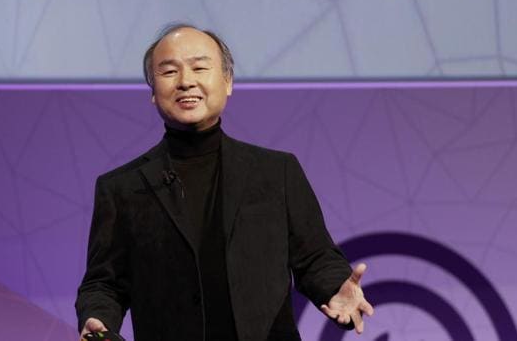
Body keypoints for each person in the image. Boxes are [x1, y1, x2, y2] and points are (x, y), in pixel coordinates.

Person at [75, 23, 374, 341]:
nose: (186, 82)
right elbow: (103, 282)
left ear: (228, 81)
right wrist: (97, 320)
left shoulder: (276, 172)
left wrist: (335, 288)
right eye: (169, 72)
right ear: (152, 92)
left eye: (199, 67)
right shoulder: (121, 187)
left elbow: (315, 257)